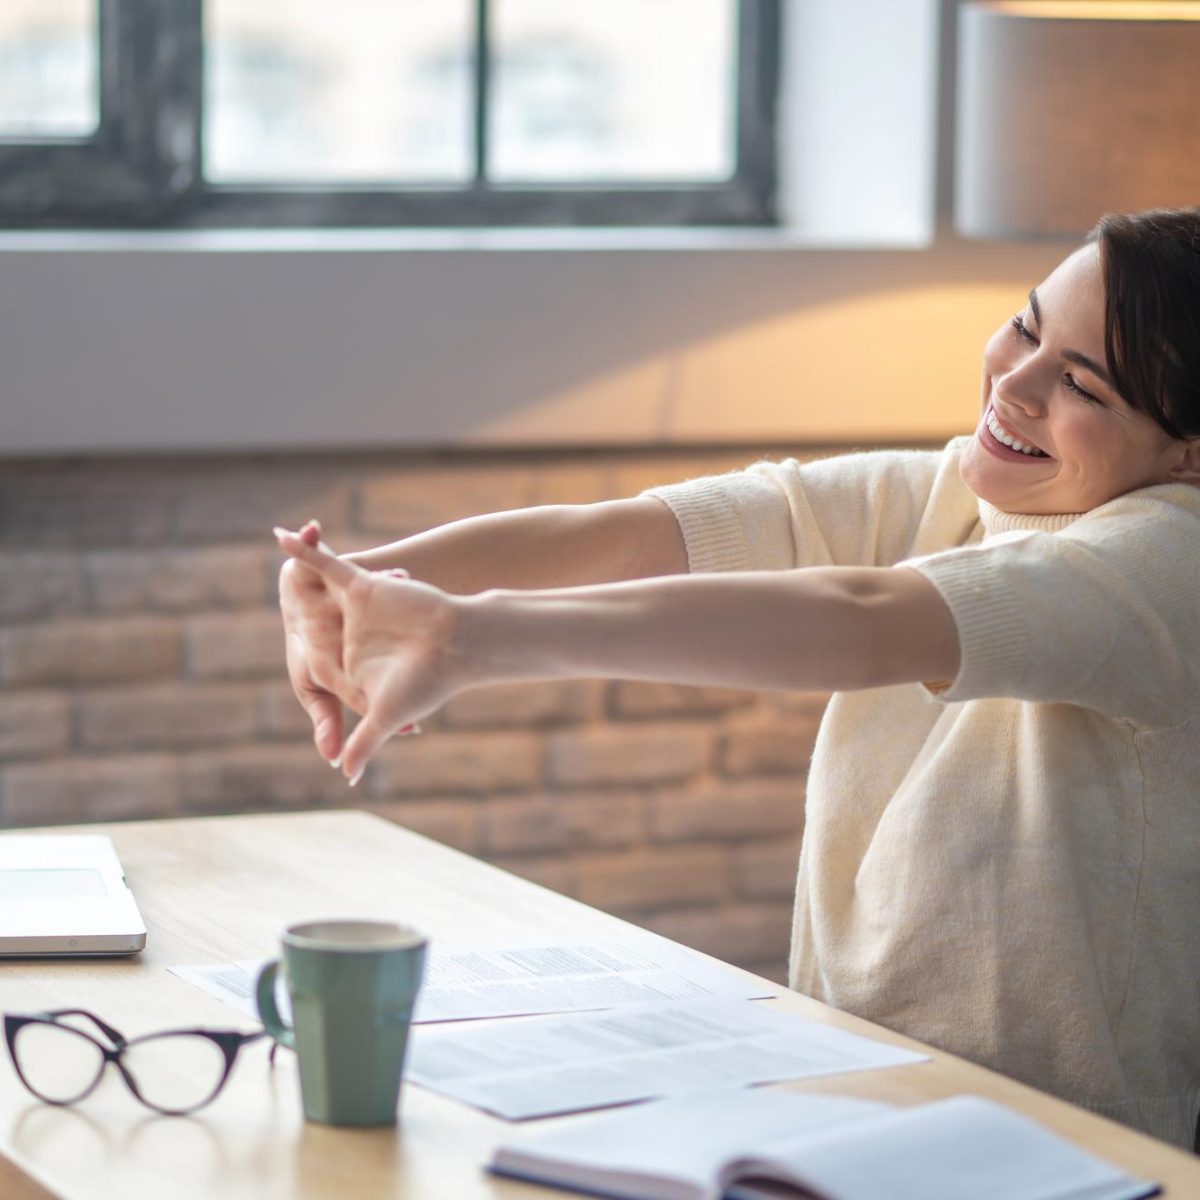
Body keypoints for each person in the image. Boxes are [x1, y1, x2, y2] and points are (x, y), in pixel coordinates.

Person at [275, 208, 1200, 1148]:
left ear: (1188, 454)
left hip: (1072, 1149)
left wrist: (469, 639)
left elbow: (866, 620)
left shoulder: (1170, 559)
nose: (1017, 379)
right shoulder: (958, 488)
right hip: (864, 1095)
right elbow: (642, 537)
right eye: (1028, 326)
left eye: (1082, 383)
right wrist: (360, 583)